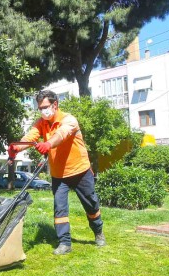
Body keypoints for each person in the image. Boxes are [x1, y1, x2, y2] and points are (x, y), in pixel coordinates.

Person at [8, 90, 105, 255]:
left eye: (45, 107)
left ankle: (98, 232)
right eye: (40, 108)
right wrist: (17, 147)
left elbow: (61, 134)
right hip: (59, 175)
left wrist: (49, 144)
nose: (42, 111)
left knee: (91, 204)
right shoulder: (41, 122)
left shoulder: (69, 120)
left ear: (55, 104)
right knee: (60, 209)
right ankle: (65, 243)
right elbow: (31, 136)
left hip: (80, 171)